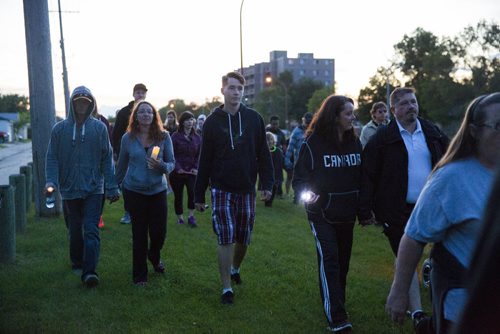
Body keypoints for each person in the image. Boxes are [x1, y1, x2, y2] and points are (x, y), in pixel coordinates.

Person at [385, 92, 500, 333]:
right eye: (498, 125)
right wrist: (398, 291)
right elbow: (414, 237)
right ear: (474, 131)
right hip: (466, 308)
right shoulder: (451, 179)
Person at [358, 87, 449, 328]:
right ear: (393, 110)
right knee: (405, 258)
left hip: (433, 206)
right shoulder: (381, 140)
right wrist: (365, 209)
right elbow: (367, 175)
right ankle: (418, 314)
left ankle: (436, 288)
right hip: (397, 210)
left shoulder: (433, 133)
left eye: (414, 102)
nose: (411, 107)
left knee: (442, 254)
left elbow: (451, 161)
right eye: (405, 103)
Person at [194, 71, 274, 305]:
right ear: (222, 90)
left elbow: (264, 155)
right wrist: (199, 194)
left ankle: (235, 268)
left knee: (243, 236)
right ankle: (226, 287)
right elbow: (205, 160)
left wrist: (267, 184)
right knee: (225, 235)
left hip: (247, 187)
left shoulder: (254, 119)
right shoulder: (212, 122)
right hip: (221, 188)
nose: (236, 92)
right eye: (231, 88)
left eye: (239, 88)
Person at [292, 95, 361, 333]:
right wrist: (313, 201)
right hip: (322, 215)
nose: (353, 117)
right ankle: (337, 318)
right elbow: (299, 180)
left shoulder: (355, 141)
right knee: (330, 260)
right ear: (334, 115)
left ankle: (336, 300)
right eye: (348, 113)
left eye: (353, 112)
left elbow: (362, 177)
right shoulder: (313, 144)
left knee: (343, 263)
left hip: (347, 214)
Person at [45, 86, 120, 287]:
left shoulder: (99, 128)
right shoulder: (59, 130)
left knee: (91, 229)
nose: (81, 105)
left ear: (90, 104)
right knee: (75, 229)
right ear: (72, 103)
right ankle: (77, 260)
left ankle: (89, 272)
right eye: (78, 101)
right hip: (69, 189)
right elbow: (52, 158)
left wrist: (112, 186)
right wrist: (51, 181)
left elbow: (106, 158)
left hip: (94, 188)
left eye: (85, 102)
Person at [116, 100, 175, 285]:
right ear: (135, 116)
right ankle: (139, 276)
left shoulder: (163, 136)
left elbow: (172, 163)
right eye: (141, 112)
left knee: (159, 233)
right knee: (139, 234)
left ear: (154, 115)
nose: (145, 115)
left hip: (157, 191)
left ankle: (154, 256)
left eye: (149, 112)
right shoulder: (128, 138)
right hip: (135, 191)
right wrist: (113, 187)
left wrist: (162, 166)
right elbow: (121, 166)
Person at [112, 83, 148, 225]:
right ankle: (128, 212)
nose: (140, 95)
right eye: (138, 92)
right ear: (133, 94)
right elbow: (116, 134)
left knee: (144, 181)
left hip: (145, 152)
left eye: (143, 93)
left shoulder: (149, 110)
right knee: (127, 183)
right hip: (127, 153)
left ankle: (143, 210)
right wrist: (116, 151)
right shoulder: (124, 112)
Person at [170, 111, 202, 227]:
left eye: (192, 119)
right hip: (178, 172)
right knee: (178, 196)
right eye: (188, 119)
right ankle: (180, 218)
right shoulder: (175, 136)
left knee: (192, 193)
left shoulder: (197, 138)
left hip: (192, 172)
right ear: (182, 122)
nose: (190, 122)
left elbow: (199, 155)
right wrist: (178, 168)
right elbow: (171, 154)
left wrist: (195, 168)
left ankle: (191, 216)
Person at [285, 112, 313, 203]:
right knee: (299, 180)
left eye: (310, 122)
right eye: (307, 122)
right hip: (299, 161)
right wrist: (287, 159)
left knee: (310, 180)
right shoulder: (296, 131)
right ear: (303, 121)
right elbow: (290, 147)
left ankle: (308, 197)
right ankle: (297, 197)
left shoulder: (314, 131)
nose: (308, 124)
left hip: (312, 161)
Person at [92, 105, 112, 229]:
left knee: (100, 188)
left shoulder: (102, 120)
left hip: (100, 160)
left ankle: (98, 215)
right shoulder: (77, 120)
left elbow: (109, 138)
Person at [262, 132, 284, 207]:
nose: (269, 142)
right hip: (267, 173)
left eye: (271, 139)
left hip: (277, 173)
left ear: (274, 141)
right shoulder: (263, 151)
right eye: (267, 140)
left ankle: (269, 202)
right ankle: (267, 201)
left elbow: (282, 162)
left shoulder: (278, 151)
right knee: (267, 187)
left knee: (274, 187)